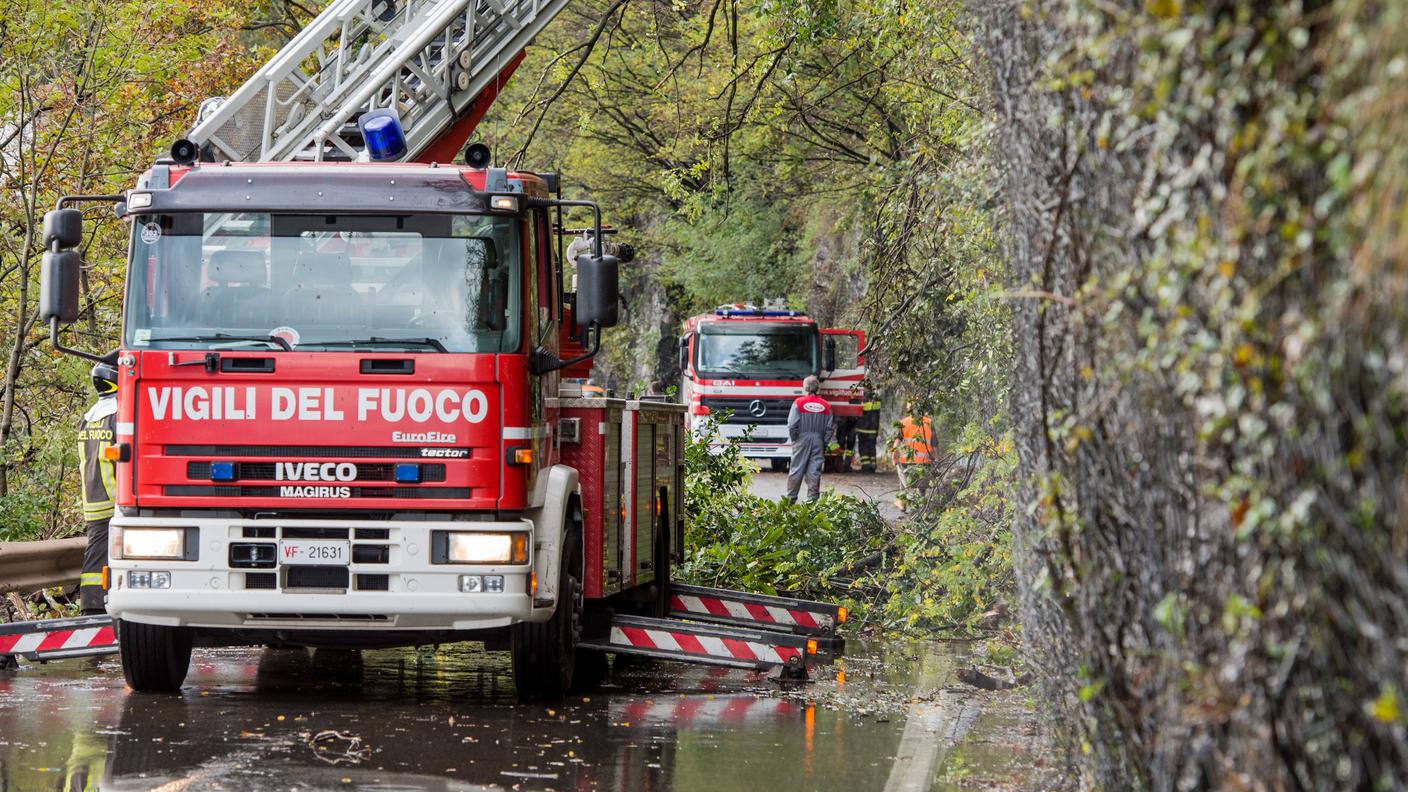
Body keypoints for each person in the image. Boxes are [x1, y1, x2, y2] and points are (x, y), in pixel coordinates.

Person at [78, 362, 119, 615]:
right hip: (114, 498)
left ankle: (94, 605)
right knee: (103, 556)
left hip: (92, 498)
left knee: (96, 554)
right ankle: (93, 608)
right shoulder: (119, 413)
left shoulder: (90, 416)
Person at [785, 375, 833, 503]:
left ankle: (790, 500)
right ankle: (812, 501)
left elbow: (792, 424)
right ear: (817, 388)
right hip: (818, 441)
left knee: (797, 469)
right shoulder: (826, 405)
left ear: (805, 387)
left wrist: (795, 439)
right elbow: (829, 428)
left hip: (801, 439)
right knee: (814, 470)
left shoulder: (798, 403)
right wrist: (824, 443)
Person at [892, 403, 934, 510]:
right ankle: (921, 503)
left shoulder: (904, 422)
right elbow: (935, 443)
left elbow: (897, 441)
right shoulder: (929, 422)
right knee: (922, 482)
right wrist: (936, 458)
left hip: (907, 461)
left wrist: (894, 455)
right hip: (925, 460)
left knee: (903, 477)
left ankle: (903, 502)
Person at [856, 389, 881, 473]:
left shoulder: (863, 399)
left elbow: (858, 411)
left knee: (863, 447)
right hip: (873, 429)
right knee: (872, 446)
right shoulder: (877, 399)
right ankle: (873, 465)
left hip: (862, 429)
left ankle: (865, 466)